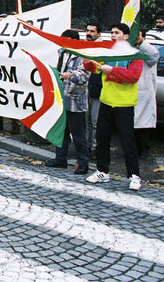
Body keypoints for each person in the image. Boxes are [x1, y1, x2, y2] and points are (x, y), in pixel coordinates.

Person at [83, 23, 143, 191]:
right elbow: (95, 68)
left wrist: (112, 70)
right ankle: (102, 171)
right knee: (102, 138)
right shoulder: (108, 52)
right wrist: (88, 62)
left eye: (116, 33)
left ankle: (134, 175)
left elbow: (133, 76)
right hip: (107, 101)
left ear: (125, 36)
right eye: (111, 32)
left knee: (127, 141)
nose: (113, 35)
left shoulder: (136, 55)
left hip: (124, 104)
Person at [46, 30, 90, 174]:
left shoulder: (83, 56)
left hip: (75, 101)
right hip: (62, 99)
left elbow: (83, 76)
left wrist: (69, 75)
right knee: (62, 132)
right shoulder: (62, 53)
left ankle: (83, 162)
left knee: (78, 135)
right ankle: (60, 159)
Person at [134, 30, 160, 160]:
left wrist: (141, 42)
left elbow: (154, 55)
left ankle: (144, 151)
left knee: (143, 126)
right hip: (128, 91)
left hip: (143, 91)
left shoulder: (147, 50)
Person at [85, 22, 103, 156]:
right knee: (87, 121)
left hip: (97, 89)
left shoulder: (102, 48)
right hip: (87, 88)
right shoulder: (86, 46)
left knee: (95, 121)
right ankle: (87, 146)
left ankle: (95, 147)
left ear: (98, 34)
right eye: (87, 31)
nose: (89, 33)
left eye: (92, 31)